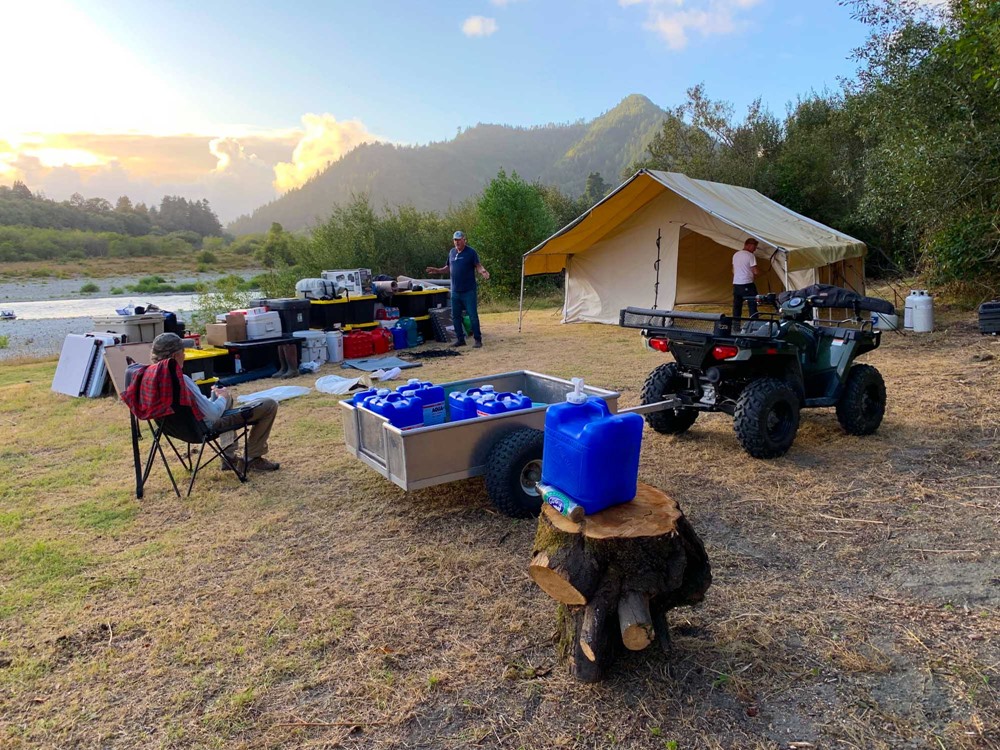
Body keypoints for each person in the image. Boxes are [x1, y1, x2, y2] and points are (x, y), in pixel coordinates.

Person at [142, 333, 280, 472]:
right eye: (183, 352)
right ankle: (251, 458)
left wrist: (216, 397)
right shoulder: (182, 380)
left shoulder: (151, 377)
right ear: (175, 356)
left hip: (175, 429)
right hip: (203, 428)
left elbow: (190, 408)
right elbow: (213, 415)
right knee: (269, 405)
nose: (184, 355)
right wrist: (222, 397)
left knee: (225, 397)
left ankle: (229, 456)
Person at [425, 230, 490, 348]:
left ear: (464, 240)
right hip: (455, 291)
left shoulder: (471, 252)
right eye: (455, 240)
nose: (457, 242)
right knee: (455, 316)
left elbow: (478, 266)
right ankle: (460, 339)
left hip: (468, 290)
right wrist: (437, 271)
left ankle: (478, 340)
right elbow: (448, 268)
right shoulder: (451, 252)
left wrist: (483, 272)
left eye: (459, 240)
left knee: (472, 315)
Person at [732, 237, 760, 320]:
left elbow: (733, 270)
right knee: (752, 304)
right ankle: (754, 324)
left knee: (737, 306)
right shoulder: (750, 256)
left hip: (736, 283)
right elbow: (755, 271)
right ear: (749, 245)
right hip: (747, 283)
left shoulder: (736, 254)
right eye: (754, 247)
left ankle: (736, 326)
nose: (754, 250)